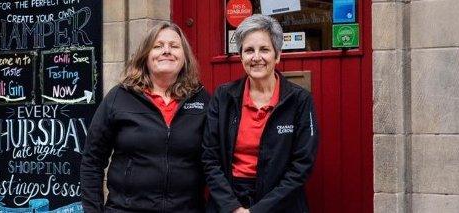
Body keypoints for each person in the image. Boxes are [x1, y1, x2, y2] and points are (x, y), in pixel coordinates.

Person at [81, 22, 210, 212]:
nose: (166, 51)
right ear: (145, 56)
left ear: (185, 57)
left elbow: (215, 162)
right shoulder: (119, 97)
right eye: (158, 46)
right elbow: (92, 160)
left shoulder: (202, 99)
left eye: (174, 46)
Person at [203, 14, 319, 213]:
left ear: (277, 55)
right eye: (249, 50)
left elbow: (301, 166)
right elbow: (209, 157)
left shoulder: (299, 100)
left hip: (280, 203)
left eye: (264, 49)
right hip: (229, 202)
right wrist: (233, 208)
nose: (256, 57)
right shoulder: (223, 96)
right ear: (241, 57)